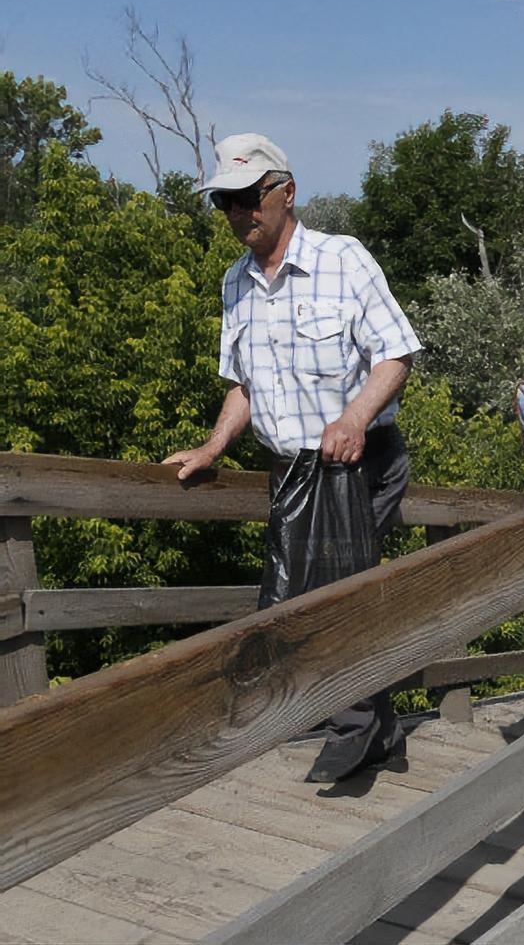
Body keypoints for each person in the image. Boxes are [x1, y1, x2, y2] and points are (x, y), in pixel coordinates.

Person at [163, 133, 424, 784]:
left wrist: (355, 416)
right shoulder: (235, 284)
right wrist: (214, 445)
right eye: (224, 200)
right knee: (304, 593)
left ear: (286, 192)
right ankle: (378, 726)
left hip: (358, 459)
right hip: (292, 470)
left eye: (248, 197)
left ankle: (350, 733)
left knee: (329, 592)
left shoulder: (344, 259)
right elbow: (243, 386)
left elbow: (396, 353)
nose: (236, 212)